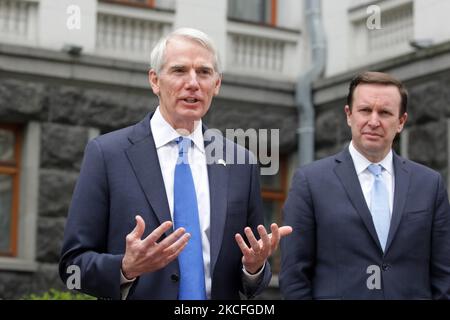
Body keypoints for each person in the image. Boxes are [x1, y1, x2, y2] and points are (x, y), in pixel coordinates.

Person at [59, 28, 291, 300]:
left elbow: (251, 280)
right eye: (179, 70)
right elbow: (72, 266)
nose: (193, 82)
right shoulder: (107, 154)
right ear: (155, 81)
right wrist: (125, 267)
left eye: (204, 72)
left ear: (216, 84)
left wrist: (254, 268)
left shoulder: (241, 163)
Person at [280, 71, 450, 299]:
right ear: (349, 115)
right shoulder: (310, 182)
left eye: (385, 112)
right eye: (365, 110)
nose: (373, 121)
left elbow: (443, 275)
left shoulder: (429, 184)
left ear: (401, 122)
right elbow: (294, 276)